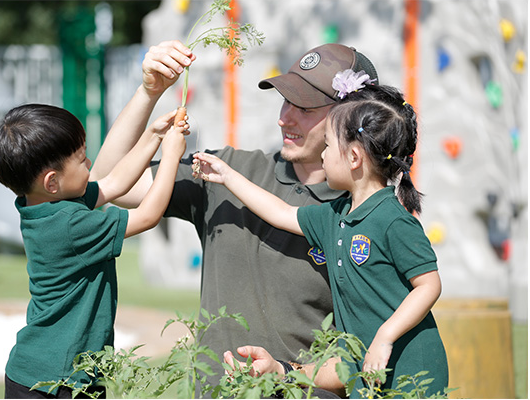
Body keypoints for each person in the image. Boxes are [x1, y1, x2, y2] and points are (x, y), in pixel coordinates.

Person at [89, 41, 379, 397]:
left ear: (350, 117)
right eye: (286, 100)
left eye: (304, 107)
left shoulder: (366, 212)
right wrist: (148, 93)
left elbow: (366, 354)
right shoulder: (224, 171)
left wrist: (286, 374)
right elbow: (105, 184)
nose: (284, 117)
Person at [192, 83, 449, 396]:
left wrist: (385, 336)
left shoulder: (393, 220)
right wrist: (227, 175)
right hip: (365, 375)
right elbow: (281, 212)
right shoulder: (335, 216)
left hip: (410, 373)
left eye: (328, 146)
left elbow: (429, 285)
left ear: (354, 157)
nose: (323, 155)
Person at [0, 103, 188, 398]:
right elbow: (147, 216)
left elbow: (114, 183)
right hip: (59, 381)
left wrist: (153, 136)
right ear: (52, 181)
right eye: (82, 161)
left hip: (39, 372)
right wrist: (171, 156)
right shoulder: (70, 225)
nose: (90, 163)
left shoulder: (43, 206)